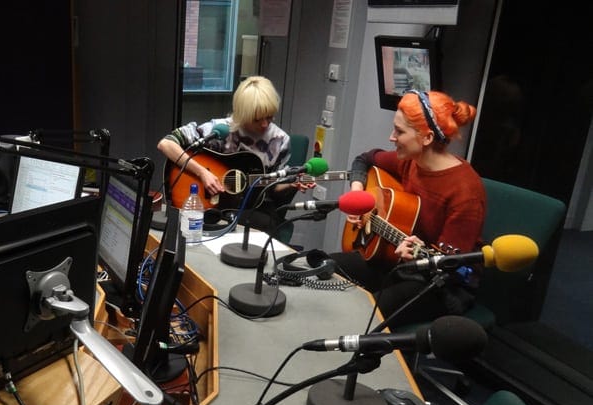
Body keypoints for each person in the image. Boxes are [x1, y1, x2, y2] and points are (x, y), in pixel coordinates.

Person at [331, 90, 485, 329]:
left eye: (399, 131)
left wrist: (416, 257)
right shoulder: (410, 162)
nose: (391, 137)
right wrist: (358, 193)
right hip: (398, 263)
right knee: (321, 266)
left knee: (364, 315)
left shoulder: (466, 193)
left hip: (442, 286)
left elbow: (451, 267)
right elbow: (364, 159)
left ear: (427, 137)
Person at [157, 75, 307, 234]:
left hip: (252, 210)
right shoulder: (220, 129)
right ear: (242, 114)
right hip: (211, 205)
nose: (264, 124)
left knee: (263, 223)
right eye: (257, 119)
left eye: (269, 117)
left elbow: (274, 187)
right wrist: (202, 173)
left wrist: (291, 184)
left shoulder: (280, 141)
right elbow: (166, 144)